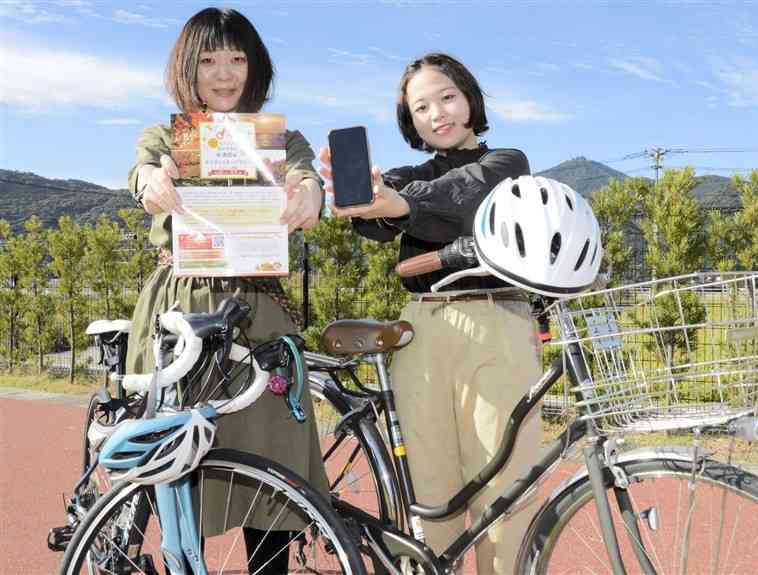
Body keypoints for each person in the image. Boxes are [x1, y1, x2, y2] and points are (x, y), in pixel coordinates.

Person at [320, 53, 543, 574]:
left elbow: (467, 197)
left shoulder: (507, 162)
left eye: (446, 97)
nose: (437, 113)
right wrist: (368, 202)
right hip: (418, 330)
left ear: (469, 99)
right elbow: (373, 223)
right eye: (421, 107)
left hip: (498, 322)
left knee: (507, 490)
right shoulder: (402, 176)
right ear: (410, 120)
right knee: (428, 487)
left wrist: (399, 204)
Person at [127, 8, 327, 573]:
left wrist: (308, 192)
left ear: (254, 67)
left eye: (237, 59)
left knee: (274, 457)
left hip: (260, 310)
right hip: (182, 309)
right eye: (209, 59)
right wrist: (152, 180)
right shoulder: (167, 134)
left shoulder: (283, 139)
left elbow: (305, 179)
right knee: (176, 461)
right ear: (186, 67)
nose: (223, 73)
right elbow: (142, 174)